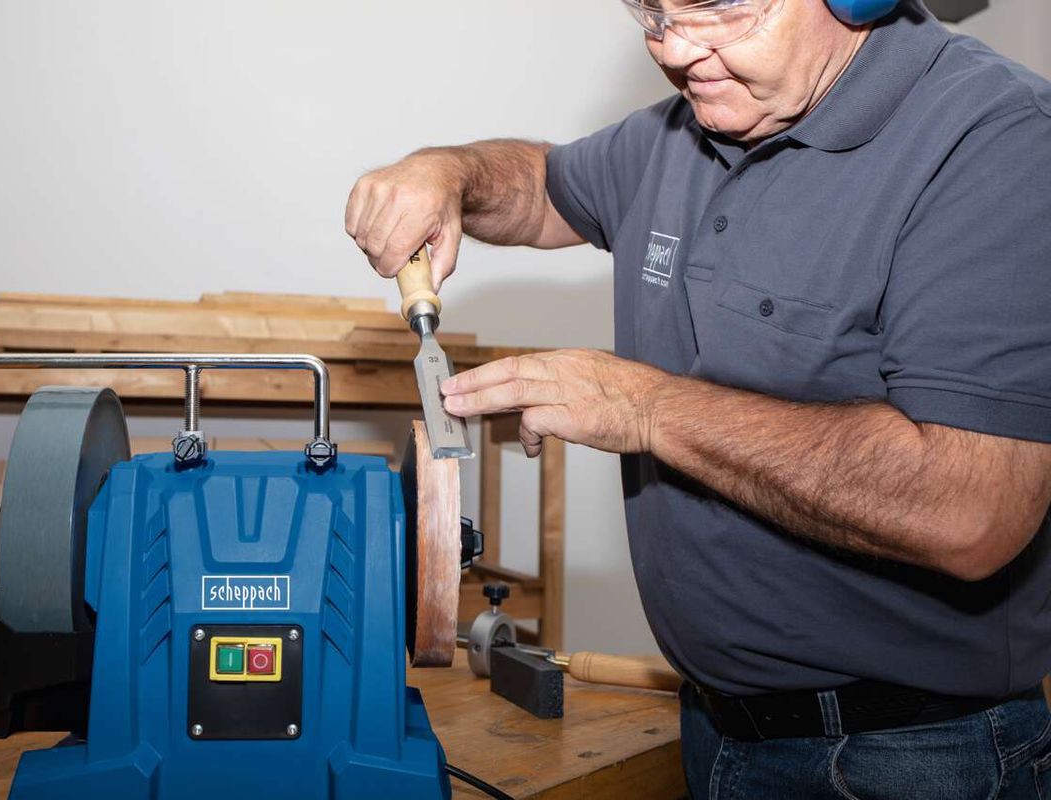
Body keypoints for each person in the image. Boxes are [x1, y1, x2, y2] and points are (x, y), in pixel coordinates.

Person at [345, 0, 1051, 796]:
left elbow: (973, 510)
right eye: (652, 13)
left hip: (909, 757)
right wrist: (449, 172)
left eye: (720, 12)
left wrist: (646, 409)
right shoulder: (688, 127)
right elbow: (544, 187)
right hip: (715, 734)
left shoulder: (994, 140)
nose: (675, 51)